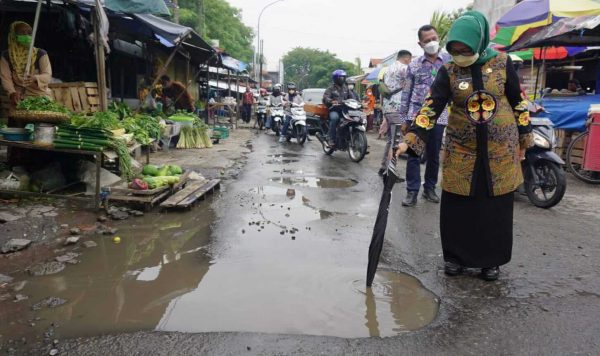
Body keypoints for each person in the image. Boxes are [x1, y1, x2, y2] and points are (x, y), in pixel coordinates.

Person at [394, 11, 533, 281]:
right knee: (458, 206)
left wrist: (525, 135)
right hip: (461, 149)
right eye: (454, 49)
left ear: (478, 42)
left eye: (465, 49)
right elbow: (431, 107)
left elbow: (517, 101)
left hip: (499, 150)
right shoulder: (449, 70)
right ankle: (455, 258)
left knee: (495, 208)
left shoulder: (503, 63)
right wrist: (411, 138)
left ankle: (490, 262)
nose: (459, 54)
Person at [399, 25, 450, 207]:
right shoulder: (413, 65)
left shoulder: (448, 62)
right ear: (420, 43)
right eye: (427, 40)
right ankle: (412, 191)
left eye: (434, 38)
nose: (431, 43)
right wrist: (404, 118)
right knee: (413, 152)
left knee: (434, 154)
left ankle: (429, 188)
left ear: (439, 38)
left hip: (440, 115)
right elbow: (406, 93)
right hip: (416, 115)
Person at [1, 21, 52, 108]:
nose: (27, 36)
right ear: (14, 35)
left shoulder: (41, 54)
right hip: (17, 98)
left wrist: (35, 78)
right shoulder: (6, 56)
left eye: (29, 33)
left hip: (39, 97)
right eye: (22, 33)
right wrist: (12, 92)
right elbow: (5, 78)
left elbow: (47, 75)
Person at [379, 50, 412, 176]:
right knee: (396, 141)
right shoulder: (404, 68)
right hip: (397, 108)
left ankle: (383, 167)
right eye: (410, 60)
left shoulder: (387, 69)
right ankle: (390, 172)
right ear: (407, 58)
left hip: (387, 108)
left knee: (390, 140)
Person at [323, 69, 352, 147]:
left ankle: (355, 138)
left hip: (345, 110)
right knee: (335, 118)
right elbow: (326, 97)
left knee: (353, 119)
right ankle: (331, 138)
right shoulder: (330, 88)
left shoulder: (346, 88)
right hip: (334, 109)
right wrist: (332, 101)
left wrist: (359, 103)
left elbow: (352, 97)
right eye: (341, 77)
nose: (343, 79)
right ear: (336, 78)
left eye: (344, 77)